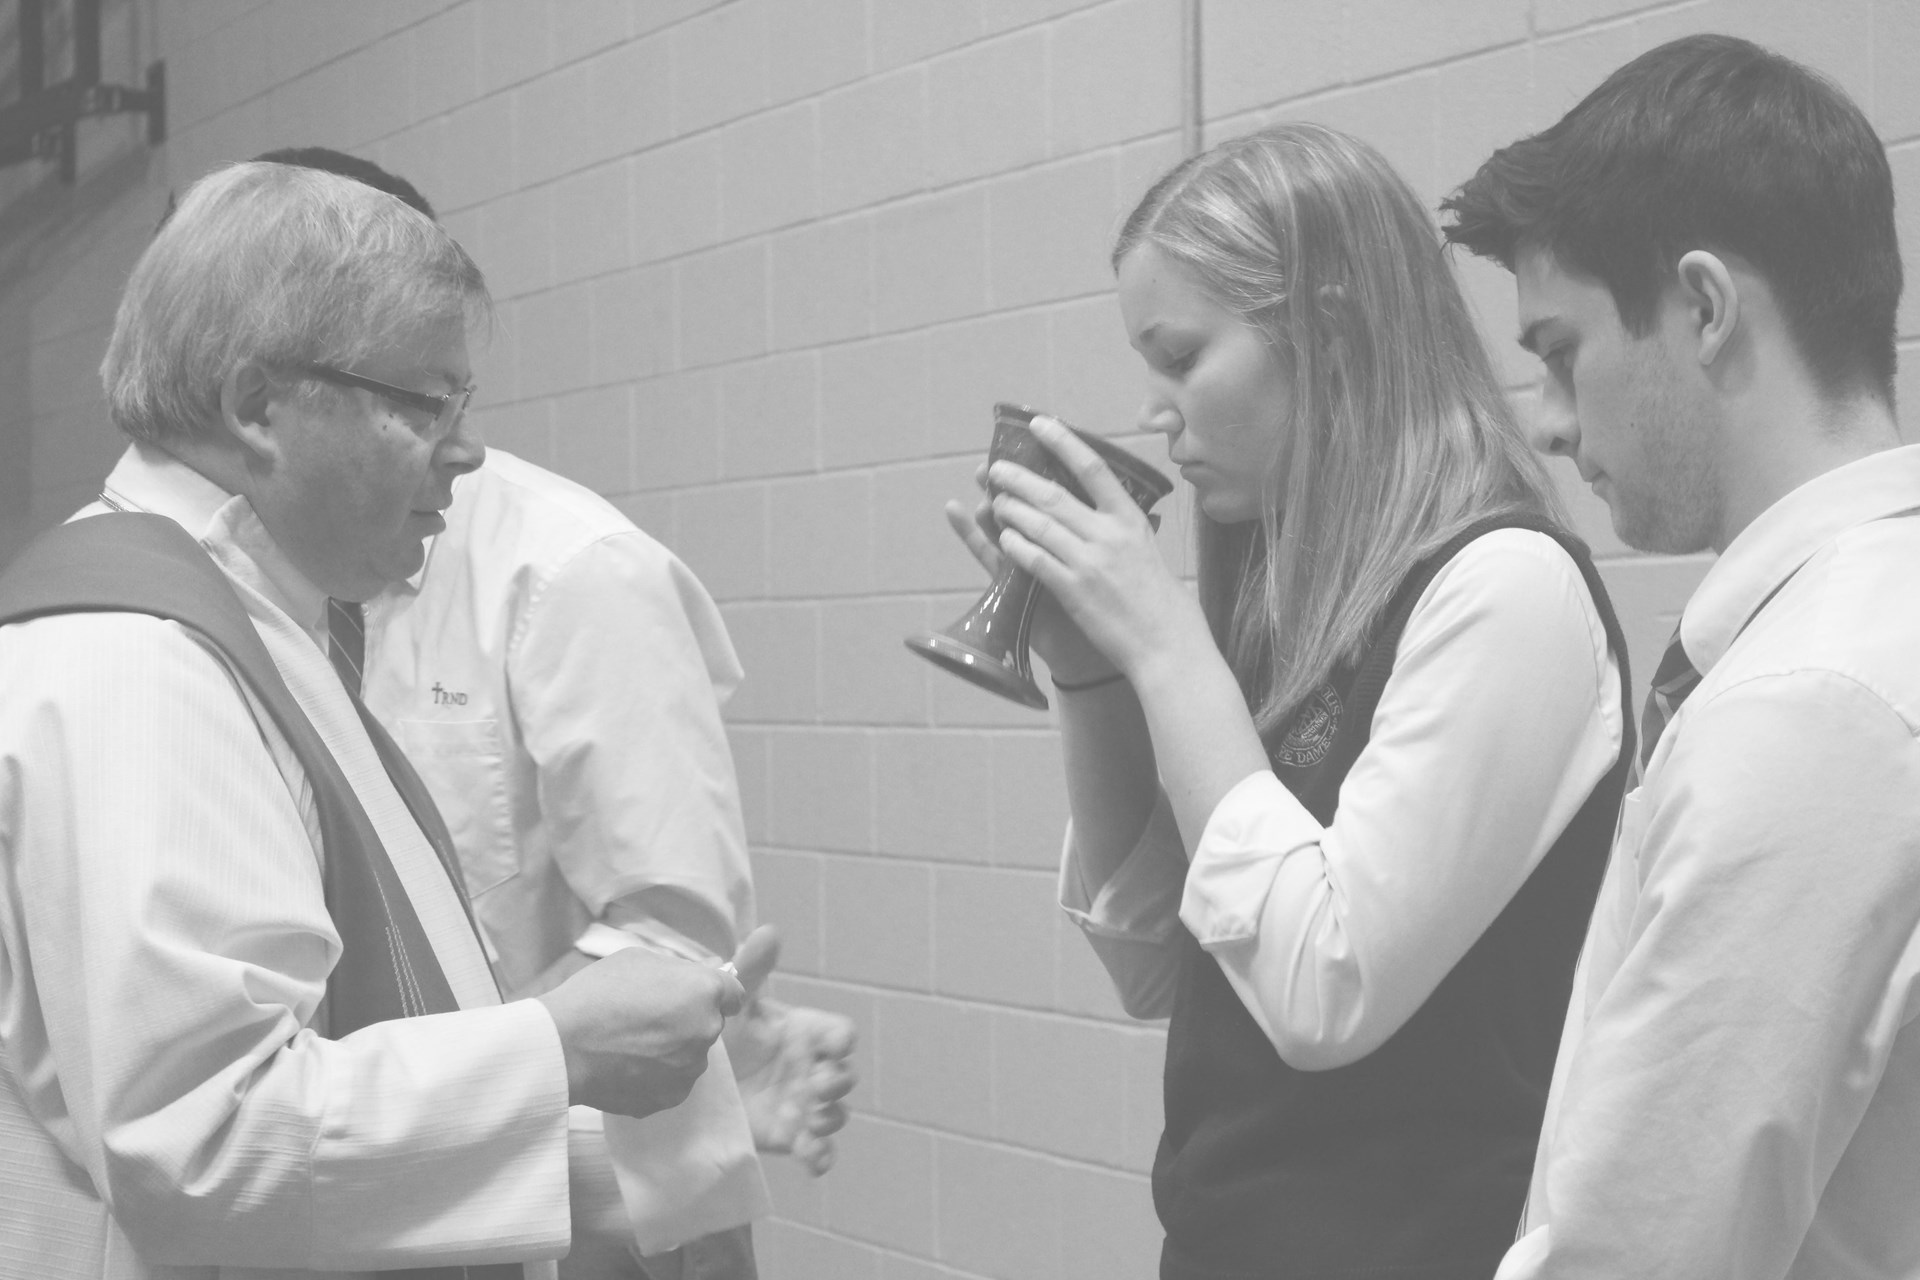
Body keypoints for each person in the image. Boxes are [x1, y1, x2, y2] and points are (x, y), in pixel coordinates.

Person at [0, 161, 749, 1278]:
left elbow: (314, 1082)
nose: (467, 449)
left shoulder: (258, 616)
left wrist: (659, 1147)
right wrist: (562, 1049)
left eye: (465, 403)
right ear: (259, 405)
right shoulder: (142, 660)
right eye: (422, 403)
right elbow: (214, 1145)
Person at [947, 123, 1633, 1279]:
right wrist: (1097, 670)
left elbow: (1327, 985)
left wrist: (1164, 643)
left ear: (1326, 325)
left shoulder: (1504, 587)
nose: (1157, 411)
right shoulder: (1288, 601)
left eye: (1180, 357)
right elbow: (1160, 959)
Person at [248, 146, 854, 1280]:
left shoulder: (573, 572)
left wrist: (454, 1083)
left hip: (567, 1220)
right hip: (322, 1196)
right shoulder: (236, 592)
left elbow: (670, 949)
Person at [1442, 33, 1920, 1279]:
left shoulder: (1804, 708)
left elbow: (1640, 1252)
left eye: (1559, 350)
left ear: (1703, 308)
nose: (1546, 423)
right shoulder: (1859, 633)